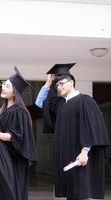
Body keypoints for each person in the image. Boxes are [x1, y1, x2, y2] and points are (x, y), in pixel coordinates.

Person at [35, 63, 110, 200]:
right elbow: (40, 103)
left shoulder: (85, 100)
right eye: (57, 85)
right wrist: (48, 82)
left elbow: (92, 127)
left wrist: (85, 151)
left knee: (84, 191)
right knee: (71, 193)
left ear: (71, 82)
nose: (59, 87)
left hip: (82, 156)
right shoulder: (59, 104)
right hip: (66, 155)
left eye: (62, 83)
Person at [0, 67, 37, 200]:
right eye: (3, 85)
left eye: (7, 86)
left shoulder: (19, 111)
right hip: (2, 158)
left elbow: (16, 135)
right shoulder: (1, 110)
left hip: (14, 160)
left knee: (12, 192)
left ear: (15, 93)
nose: (3, 87)